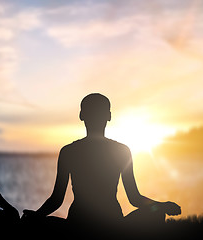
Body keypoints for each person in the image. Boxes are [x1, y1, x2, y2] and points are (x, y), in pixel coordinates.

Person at [23, 93, 181, 235]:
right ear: (109, 116)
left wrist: (36, 216)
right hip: (112, 224)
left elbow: (57, 199)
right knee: (157, 213)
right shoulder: (122, 151)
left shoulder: (69, 151)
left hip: (78, 224)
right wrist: (162, 205)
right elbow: (134, 198)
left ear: (81, 115)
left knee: (35, 222)